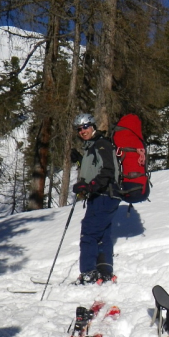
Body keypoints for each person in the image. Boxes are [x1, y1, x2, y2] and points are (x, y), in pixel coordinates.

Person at [71, 113, 121, 285]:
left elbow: (107, 171)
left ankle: (88, 273)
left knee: (89, 233)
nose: (82, 131)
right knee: (103, 234)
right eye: (79, 129)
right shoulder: (92, 147)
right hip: (104, 196)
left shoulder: (101, 145)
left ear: (93, 126)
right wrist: (79, 161)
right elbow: (94, 169)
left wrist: (89, 186)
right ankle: (105, 272)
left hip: (104, 195)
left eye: (85, 127)